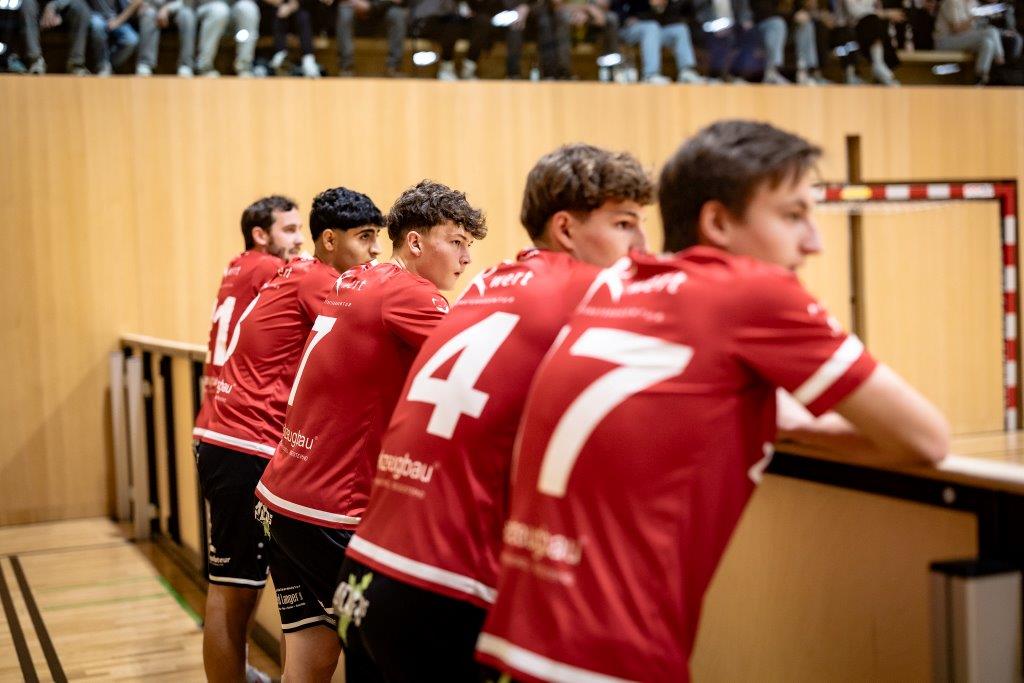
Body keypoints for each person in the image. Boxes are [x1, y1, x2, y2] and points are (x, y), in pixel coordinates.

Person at [477, 120, 949, 682]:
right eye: (793, 215)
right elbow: (925, 438)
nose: (814, 241)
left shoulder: (618, 286)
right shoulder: (751, 290)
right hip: (609, 654)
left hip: (520, 634)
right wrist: (788, 425)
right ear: (719, 222)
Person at [335, 145, 653, 682]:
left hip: (366, 563)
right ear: (565, 229)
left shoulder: (487, 284)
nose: (640, 244)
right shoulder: (593, 290)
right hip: (441, 586)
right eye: (624, 224)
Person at [253, 180, 486, 682]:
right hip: (331, 510)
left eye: (469, 245)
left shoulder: (356, 279)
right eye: (457, 242)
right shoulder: (411, 294)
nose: (466, 258)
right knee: (380, 660)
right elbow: (484, 370)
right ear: (416, 242)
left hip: (282, 498)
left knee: (308, 662)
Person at [194, 187, 384, 683]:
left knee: (283, 614)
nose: (375, 252)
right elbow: (370, 328)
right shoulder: (320, 280)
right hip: (248, 444)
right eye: (366, 238)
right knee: (234, 595)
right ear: (330, 240)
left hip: (229, 437)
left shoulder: (290, 270)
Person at [192, 196, 304, 451]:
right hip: (243, 425)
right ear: (260, 235)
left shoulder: (237, 264)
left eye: (299, 229)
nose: (299, 239)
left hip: (211, 420)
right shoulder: (270, 266)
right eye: (289, 230)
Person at [616, 0, 705, 83]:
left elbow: (673, 16)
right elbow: (617, 7)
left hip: (654, 31)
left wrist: (662, 6)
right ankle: (650, 75)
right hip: (628, 29)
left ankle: (687, 71)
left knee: (680, 29)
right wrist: (626, 18)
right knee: (652, 27)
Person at [934, 0, 1004, 84]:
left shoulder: (974, 3)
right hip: (945, 41)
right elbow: (957, 29)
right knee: (991, 31)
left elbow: (975, 29)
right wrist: (974, 17)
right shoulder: (951, 2)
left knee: (987, 43)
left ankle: (979, 78)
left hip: (964, 40)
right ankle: (1000, 61)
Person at [333, 0, 407, 76]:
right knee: (344, 11)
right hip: (356, 13)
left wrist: (371, 6)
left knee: (397, 14)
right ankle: (346, 67)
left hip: (382, 13)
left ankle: (394, 67)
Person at [136, 0, 198, 75]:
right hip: (153, 6)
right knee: (148, 13)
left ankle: (186, 65)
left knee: (187, 15)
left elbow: (186, 2)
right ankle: (145, 63)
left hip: (179, 6)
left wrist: (167, 9)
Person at [87, 0, 141, 75]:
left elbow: (137, 2)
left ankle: (108, 66)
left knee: (131, 39)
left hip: (116, 17)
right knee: (97, 25)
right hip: (95, 15)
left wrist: (118, 21)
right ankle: (102, 65)